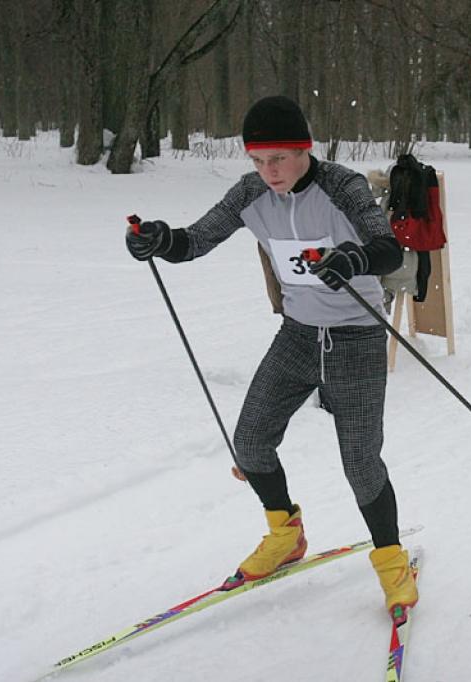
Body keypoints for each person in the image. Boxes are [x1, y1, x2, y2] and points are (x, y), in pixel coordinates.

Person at [124, 96, 418, 620]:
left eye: (278, 158)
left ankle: (394, 565)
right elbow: (195, 241)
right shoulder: (251, 192)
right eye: (258, 161)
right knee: (251, 442)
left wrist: (354, 258)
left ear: (304, 149)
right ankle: (285, 534)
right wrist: (159, 240)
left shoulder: (342, 186)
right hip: (299, 334)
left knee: (360, 462)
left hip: (355, 337)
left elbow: (388, 248)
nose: (269, 172)